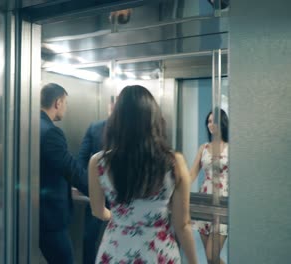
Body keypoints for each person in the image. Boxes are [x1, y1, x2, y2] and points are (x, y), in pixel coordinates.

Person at [88, 85, 198, 264]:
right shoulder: (173, 162)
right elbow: (182, 224)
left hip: (116, 250)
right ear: (154, 119)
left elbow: (97, 211)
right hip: (159, 252)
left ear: (116, 120)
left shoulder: (98, 162)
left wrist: (122, 220)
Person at [39, 83, 88, 264]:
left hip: (33, 214)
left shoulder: (29, 126)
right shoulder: (51, 132)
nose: (65, 108)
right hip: (50, 218)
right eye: (65, 103)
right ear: (58, 102)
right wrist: (104, 195)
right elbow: (71, 169)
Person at [190, 109, 229, 264]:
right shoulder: (203, 148)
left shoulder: (231, 148)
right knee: (209, 259)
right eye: (209, 121)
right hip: (204, 202)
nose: (210, 124)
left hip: (223, 203)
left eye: (214, 121)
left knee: (212, 255)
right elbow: (192, 174)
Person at [78, 120, 107, 264]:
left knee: (90, 237)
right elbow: (81, 160)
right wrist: (89, 187)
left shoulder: (96, 128)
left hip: (120, 197)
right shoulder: (95, 128)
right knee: (89, 238)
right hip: (100, 193)